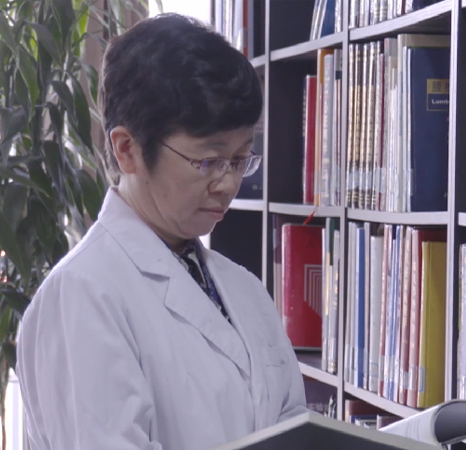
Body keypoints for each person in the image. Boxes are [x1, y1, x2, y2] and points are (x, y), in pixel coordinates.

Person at [16, 13, 308, 450]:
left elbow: (294, 430)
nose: (227, 183)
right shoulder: (81, 295)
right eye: (208, 161)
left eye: (240, 159)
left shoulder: (242, 288)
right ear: (127, 149)